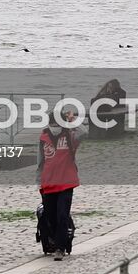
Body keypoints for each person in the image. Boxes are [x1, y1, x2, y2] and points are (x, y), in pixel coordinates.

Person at [37, 108, 82, 260]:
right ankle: (56, 240)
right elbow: (40, 162)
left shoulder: (70, 135)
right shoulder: (43, 137)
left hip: (66, 182)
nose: (55, 126)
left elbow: (84, 132)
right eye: (52, 123)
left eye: (57, 123)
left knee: (62, 214)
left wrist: (72, 120)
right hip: (48, 183)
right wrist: (39, 182)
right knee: (51, 216)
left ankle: (60, 248)